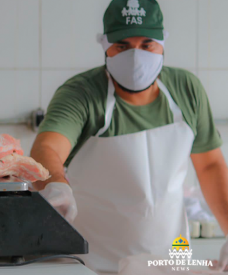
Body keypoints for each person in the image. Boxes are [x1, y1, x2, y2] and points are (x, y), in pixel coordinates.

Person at [30, 0, 228, 273]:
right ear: (105, 45)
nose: (136, 57)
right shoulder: (82, 94)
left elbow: (210, 165)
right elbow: (47, 148)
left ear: (163, 43)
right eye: (122, 46)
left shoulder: (186, 89)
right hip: (93, 264)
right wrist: (56, 184)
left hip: (168, 263)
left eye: (147, 45)